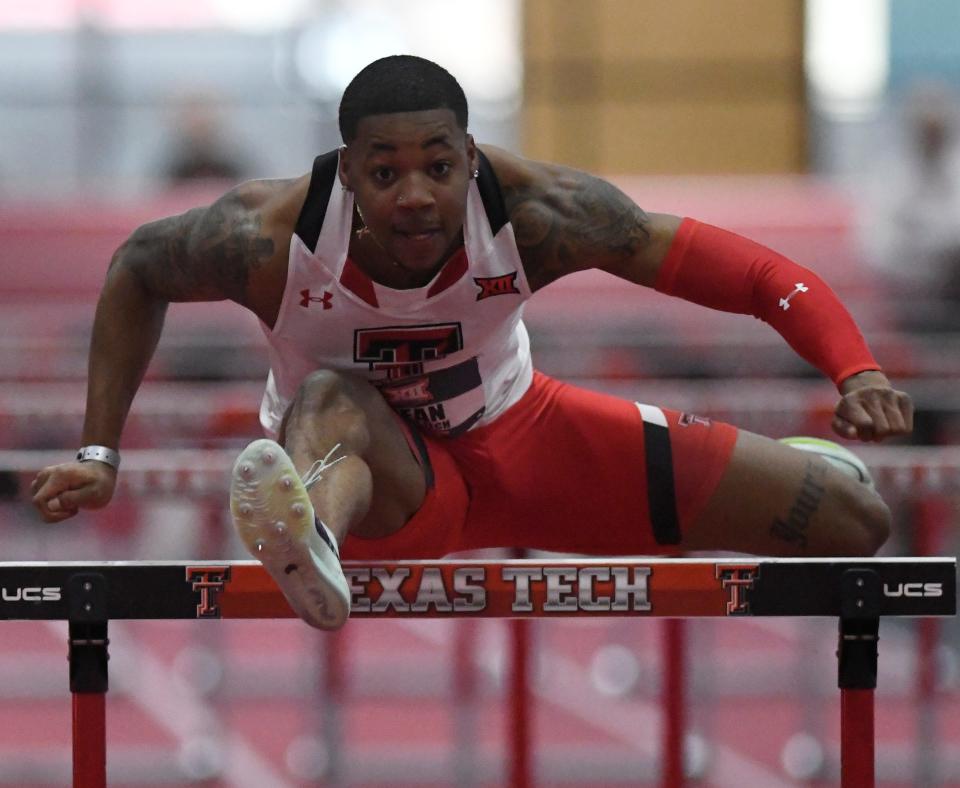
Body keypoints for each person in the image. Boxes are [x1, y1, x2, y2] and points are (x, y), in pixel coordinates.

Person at [32, 56, 913, 630]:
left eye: (438, 167)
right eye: (385, 173)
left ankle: (807, 462)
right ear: (347, 172)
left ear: (470, 155)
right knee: (330, 398)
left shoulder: (539, 217)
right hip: (381, 481)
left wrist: (855, 367)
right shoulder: (268, 240)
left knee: (854, 524)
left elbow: (755, 275)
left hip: (531, 436)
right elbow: (137, 268)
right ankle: (308, 540)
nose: (415, 194)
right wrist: (101, 449)